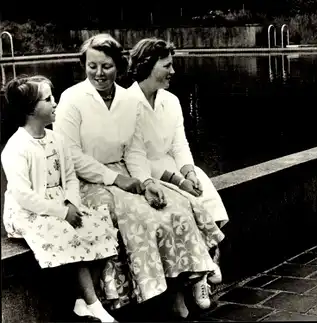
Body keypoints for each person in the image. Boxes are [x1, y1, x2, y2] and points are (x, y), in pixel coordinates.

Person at [53, 34, 225, 318]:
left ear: (118, 66)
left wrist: (146, 182)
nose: (98, 73)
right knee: (139, 217)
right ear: (83, 65)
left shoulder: (126, 100)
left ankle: (182, 286)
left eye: (106, 66)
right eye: (92, 65)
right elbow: (70, 155)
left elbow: (134, 151)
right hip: (85, 180)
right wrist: (116, 179)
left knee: (176, 206)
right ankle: (146, 294)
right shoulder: (72, 99)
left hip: (126, 173)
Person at [1, 75, 119, 322]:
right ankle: (94, 303)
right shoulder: (16, 147)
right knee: (68, 234)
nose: (55, 103)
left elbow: (70, 177)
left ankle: (81, 301)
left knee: (99, 225)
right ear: (31, 110)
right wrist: (62, 213)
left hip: (62, 204)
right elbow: (24, 196)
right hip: (29, 213)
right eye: (48, 99)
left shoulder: (56, 139)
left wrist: (72, 203)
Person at [125, 37, 230, 283]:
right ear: (148, 66)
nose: (173, 71)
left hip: (174, 167)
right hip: (146, 174)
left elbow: (180, 144)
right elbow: (135, 155)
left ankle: (208, 260)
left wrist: (190, 173)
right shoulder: (127, 104)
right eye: (167, 65)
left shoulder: (170, 101)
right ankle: (199, 275)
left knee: (206, 194)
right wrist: (177, 180)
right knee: (182, 206)